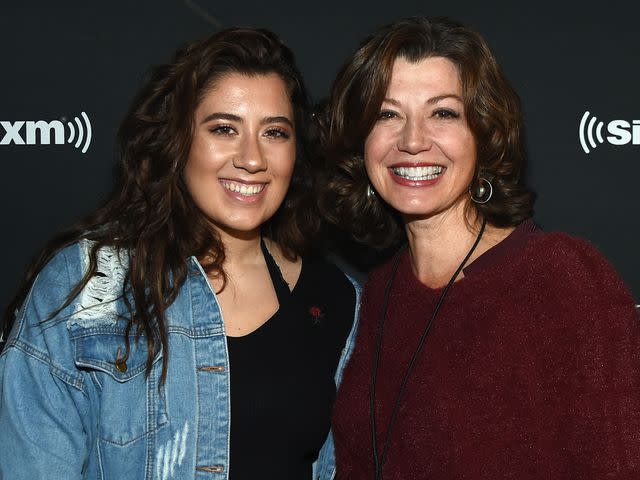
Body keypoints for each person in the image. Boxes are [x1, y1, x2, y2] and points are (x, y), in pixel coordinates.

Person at [0, 27, 359, 480]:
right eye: (224, 128)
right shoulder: (86, 285)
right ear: (180, 139)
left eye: (274, 132)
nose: (252, 158)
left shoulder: (336, 299)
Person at [321, 16, 640, 479]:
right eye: (387, 114)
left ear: (483, 134)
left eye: (443, 113)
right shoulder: (381, 292)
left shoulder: (561, 277)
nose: (412, 141)